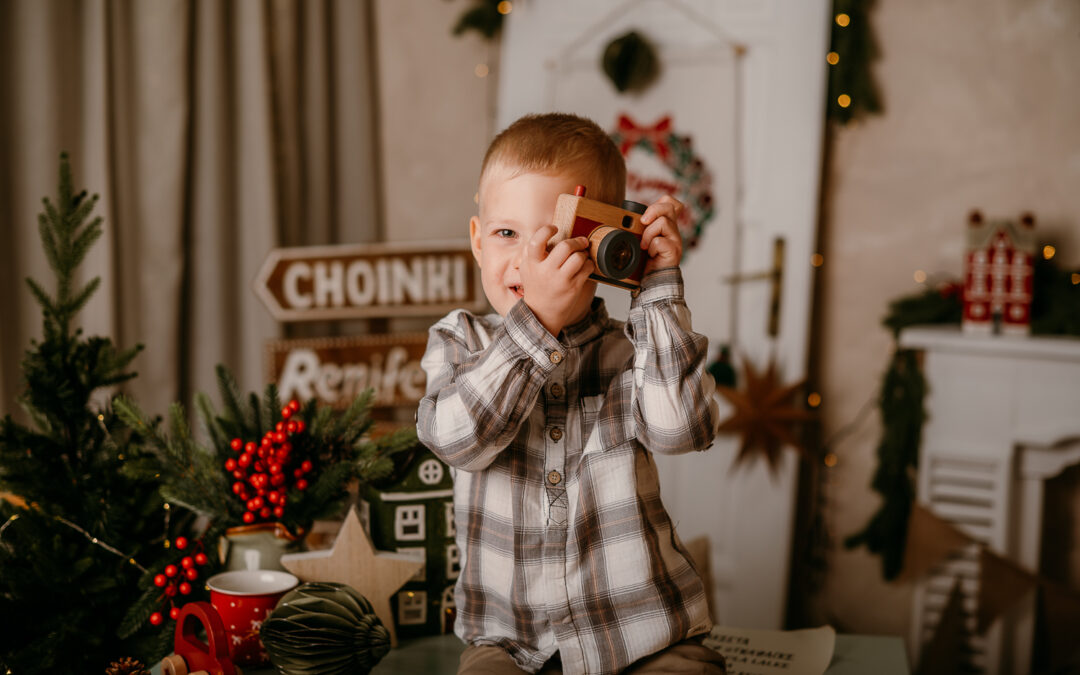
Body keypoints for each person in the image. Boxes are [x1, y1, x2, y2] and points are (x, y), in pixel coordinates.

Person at [417, 112, 724, 675]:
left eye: (558, 239)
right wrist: (536, 323)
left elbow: (684, 430)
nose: (528, 259)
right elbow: (457, 440)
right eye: (507, 233)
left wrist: (657, 289)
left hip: (641, 634)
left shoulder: (631, 350)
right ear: (478, 241)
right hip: (509, 644)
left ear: (610, 247)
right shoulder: (459, 340)